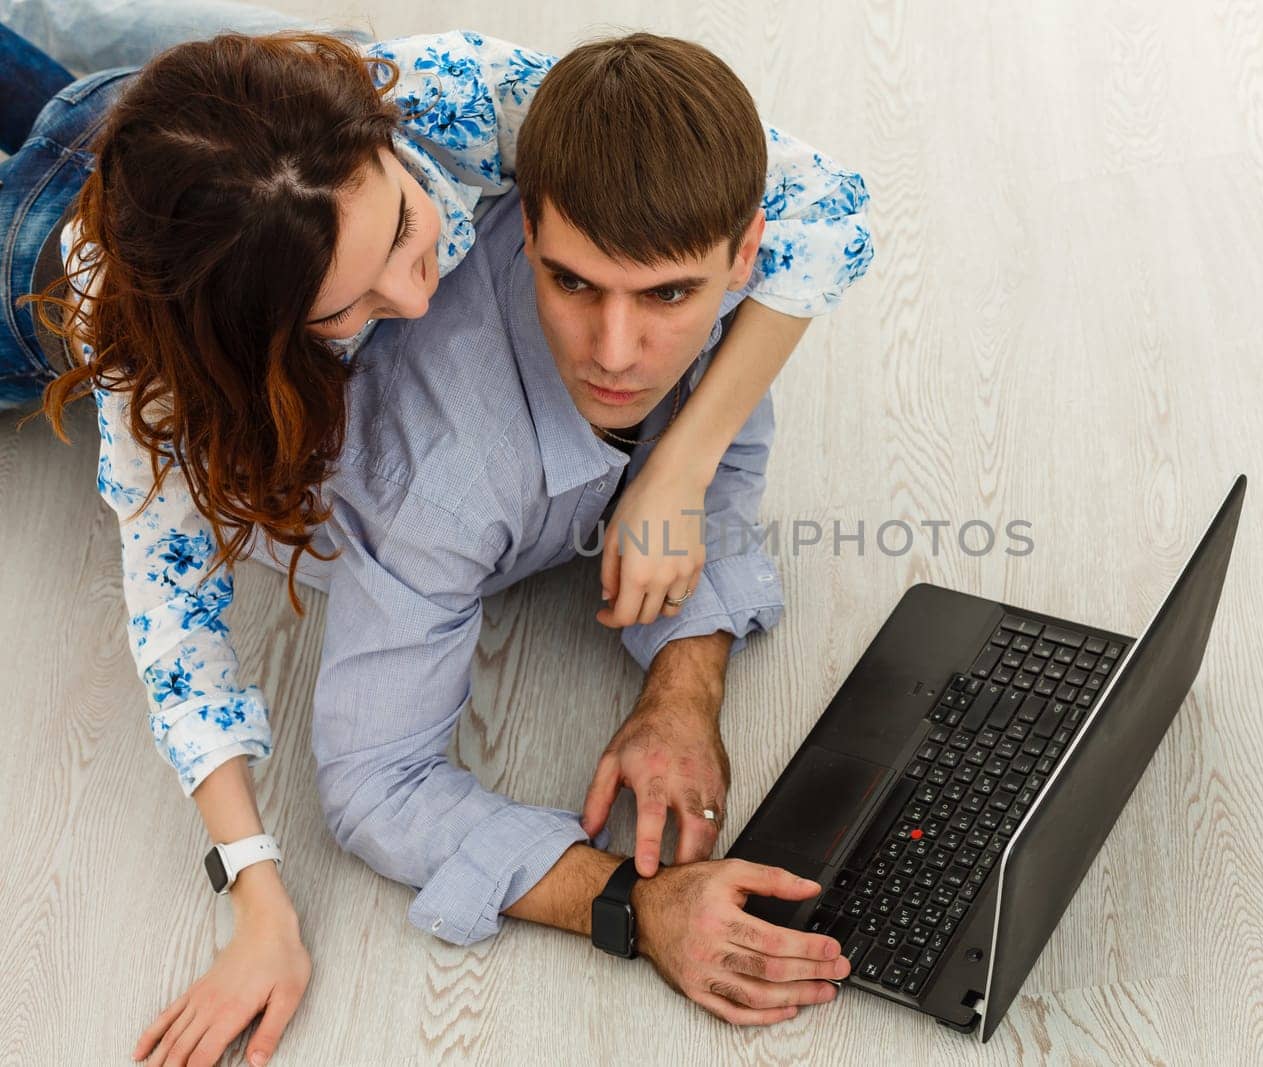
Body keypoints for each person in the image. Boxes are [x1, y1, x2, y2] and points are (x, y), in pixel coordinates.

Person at [1, 18, 871, 1067]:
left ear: (383, 135)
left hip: (181, 122)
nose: (416, 297)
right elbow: (184, 641)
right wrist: (260, 899)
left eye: (410, 230)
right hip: (52, 263)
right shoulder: (177, 364)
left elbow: (825, 206)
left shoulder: (455, 97)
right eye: (352, 304)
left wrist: (681, 657)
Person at [304, 30, 866, 1031]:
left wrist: (682, 692)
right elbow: (375, 783)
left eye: (668, 295)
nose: (617, 352)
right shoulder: (443, 485)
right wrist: (630, 901)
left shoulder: (731, 298)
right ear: (522, 227)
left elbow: (718, 468)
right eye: (572, 284)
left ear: (746, 256)